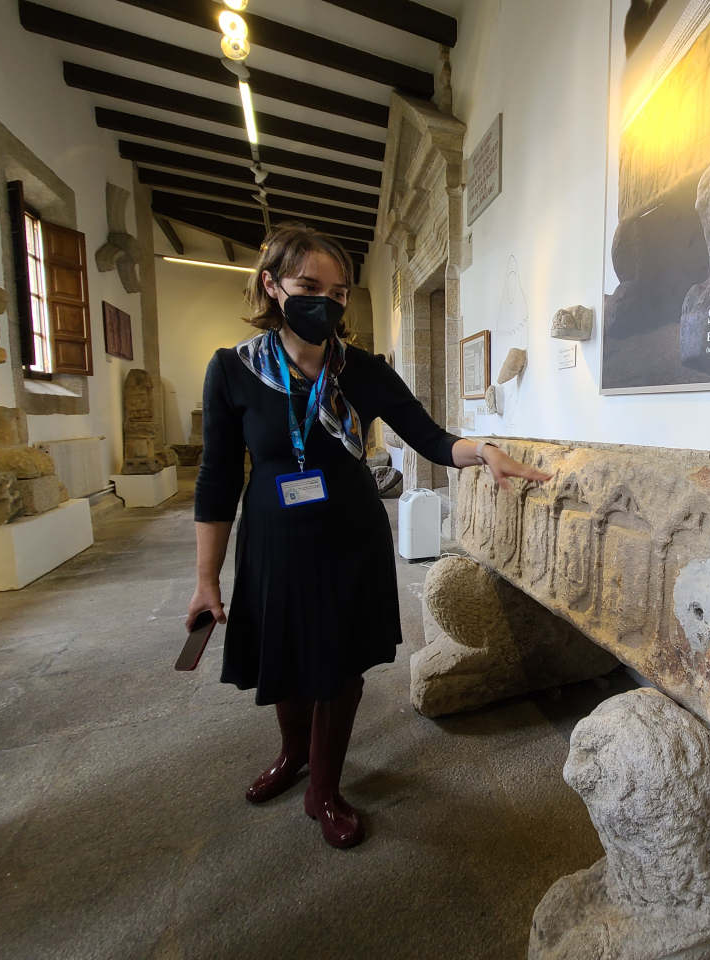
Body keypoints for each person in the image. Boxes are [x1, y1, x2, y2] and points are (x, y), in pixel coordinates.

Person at [185, 222, 549, 849]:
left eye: (338, 291)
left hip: (349, 534)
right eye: (308, 286)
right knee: (288, 655)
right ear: (273, 287)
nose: (324, 301)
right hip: (273, 538)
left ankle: (323, 787)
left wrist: (483, 450)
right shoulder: (234, 371)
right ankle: (293, 754)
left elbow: (430, 436)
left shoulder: (365, 371)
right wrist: (203, 579)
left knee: (338, 660)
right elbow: (217, 480)